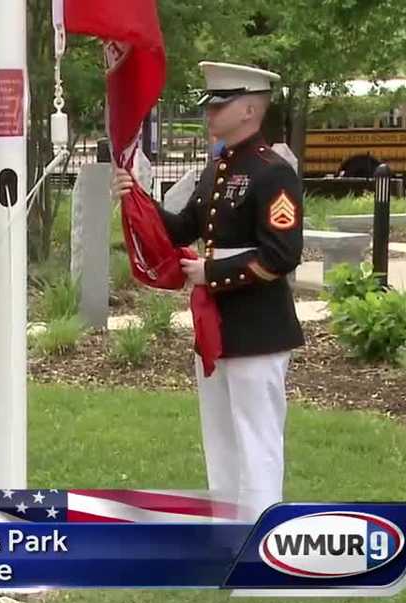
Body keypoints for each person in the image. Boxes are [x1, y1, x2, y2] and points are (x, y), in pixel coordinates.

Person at [113, 62, 304, 522]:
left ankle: (261, 545)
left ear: (251, 109)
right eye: (211, 104)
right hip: (216, 325)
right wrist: (137, 199)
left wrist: (211, 273)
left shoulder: (272, 173)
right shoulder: (216, 170)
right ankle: (227, 532)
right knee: (220, 438)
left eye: (221, 104)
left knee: (257, 440)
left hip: (258, 327)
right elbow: (182, 227)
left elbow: (280, 255)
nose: (211, 113)